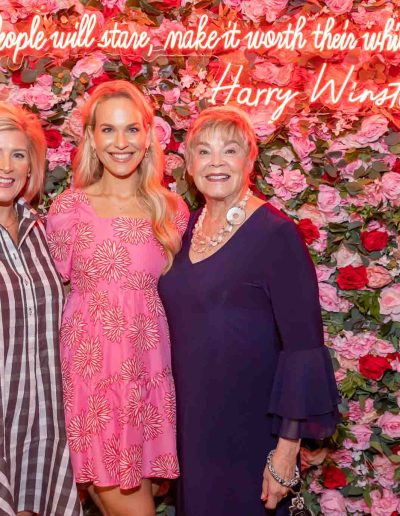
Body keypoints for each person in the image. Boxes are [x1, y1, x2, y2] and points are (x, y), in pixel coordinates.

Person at [158, 106, 340, 515]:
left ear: (250, 159)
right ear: (188, 165)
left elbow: (303, 348)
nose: (216, 162)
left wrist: (285, 453)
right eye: (204, 152)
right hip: (192, 425)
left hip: (250, 428)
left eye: (230, 150)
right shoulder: (186, 231)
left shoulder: (276, 234)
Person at [46, 80, 188, 516]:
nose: (120, 142)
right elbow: (56, 295)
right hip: (93, 382)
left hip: (149, 380)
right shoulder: (68, 211)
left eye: (131, 130)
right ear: (90, 137)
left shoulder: (171, 210)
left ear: (148, 137)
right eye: (107, 130)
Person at [0, 102, 81, 515]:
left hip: (46, 422)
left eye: (17, 154)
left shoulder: (42, 232)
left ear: (31, 167)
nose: (6, 166)